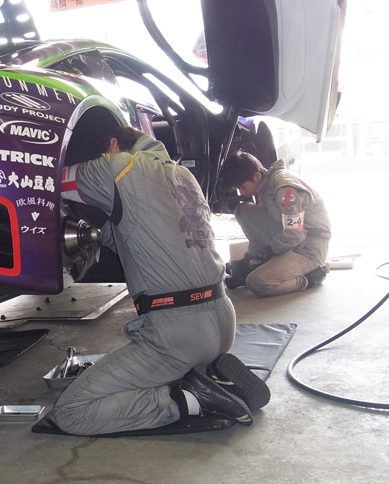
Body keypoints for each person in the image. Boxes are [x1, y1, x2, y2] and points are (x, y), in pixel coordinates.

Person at [53, 126, 269, 437]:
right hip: (223, 320)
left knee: (72, 412)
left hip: (178, 335)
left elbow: (46, 179)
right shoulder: (183, 176)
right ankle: (214, 378)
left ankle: (193, 399)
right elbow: (131, 237)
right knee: (155, 370)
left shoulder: (117, 166)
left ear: (113, 145)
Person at [220, 151, 331, 297]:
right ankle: (260, 262)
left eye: (243, 187)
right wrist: (252, 258)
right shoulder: (267, 185)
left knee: (257, 282)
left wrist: (269, 251)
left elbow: (294, 234)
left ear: (256, 176)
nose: (242, 192)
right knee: (242, 210)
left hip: (309, 247)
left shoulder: (285, 191)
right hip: (295, 238)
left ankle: (309, 278)